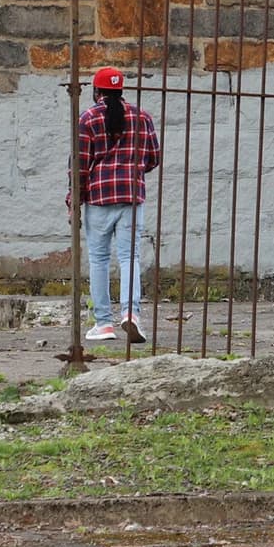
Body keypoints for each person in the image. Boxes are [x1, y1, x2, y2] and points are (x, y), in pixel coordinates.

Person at [74, 66, 161, 343]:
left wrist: (73, 200)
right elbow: (153, 158)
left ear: (96, 91)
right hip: (132, 198)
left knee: (99, 260)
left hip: (98, 199)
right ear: (121, 89)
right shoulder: (141, 117)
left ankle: (103, 324)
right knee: (129, 257)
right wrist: (131, 170)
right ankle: (131, 314)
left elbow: (79, 164)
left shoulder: (88, 118)